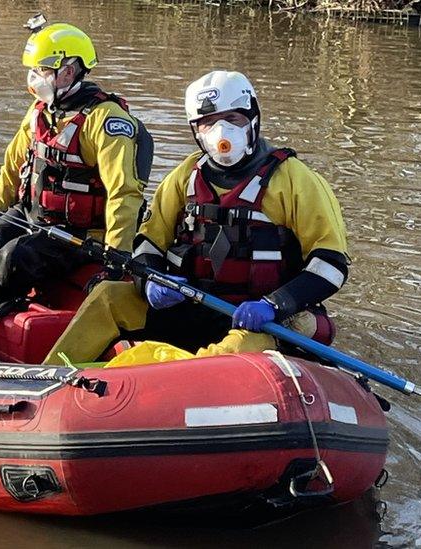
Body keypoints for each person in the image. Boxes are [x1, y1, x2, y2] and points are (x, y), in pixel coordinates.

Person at [43, 70, 348, 365]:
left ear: (252, 119)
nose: (221, 132)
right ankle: (45, 380)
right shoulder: (185, 176)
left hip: (260, 320)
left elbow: (331, 264)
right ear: (195, 130)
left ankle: (179, 392)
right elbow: (148, 244)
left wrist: (275, 304)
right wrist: (149, 281)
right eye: (208, 123)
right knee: (109, 295)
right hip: (194, 303)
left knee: (237, 347)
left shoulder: (296, 180)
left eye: (232, 119)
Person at [0, 17, 152, 320]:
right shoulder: (39, 113)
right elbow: (13, 166)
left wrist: (116, 253)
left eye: (41, 70)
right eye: (32, 70)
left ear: (68, 70)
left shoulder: (105, 121)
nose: (33, 78)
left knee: (13, 258)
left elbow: (124, 191)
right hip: (33, 216)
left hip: (81, 233)